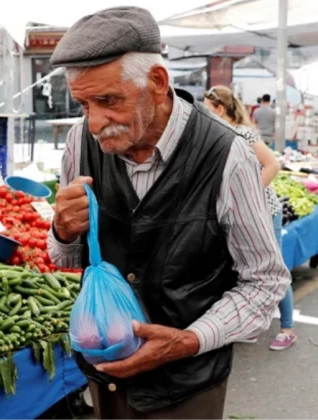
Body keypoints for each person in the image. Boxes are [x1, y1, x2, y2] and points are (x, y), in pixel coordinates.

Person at [47, 6, 289, 420]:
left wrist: (188, 340)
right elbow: (66, 258)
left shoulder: (226, 156)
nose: (94, 123)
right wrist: (62, 230)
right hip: (104, 374)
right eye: (84, 104)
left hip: (185, 387)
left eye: (108, 100)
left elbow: (265, 282)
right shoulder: (79, 143)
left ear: (157, 83)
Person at [204, 86, 296, 350]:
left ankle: (288, 328)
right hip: (241, 215)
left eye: (208, 110)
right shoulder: (218, 136)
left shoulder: (242, 134)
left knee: (272, 268)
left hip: (266, 212)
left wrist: (249, 198)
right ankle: (252, 324)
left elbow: (273, 165)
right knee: (244, 267)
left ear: (220, 109)